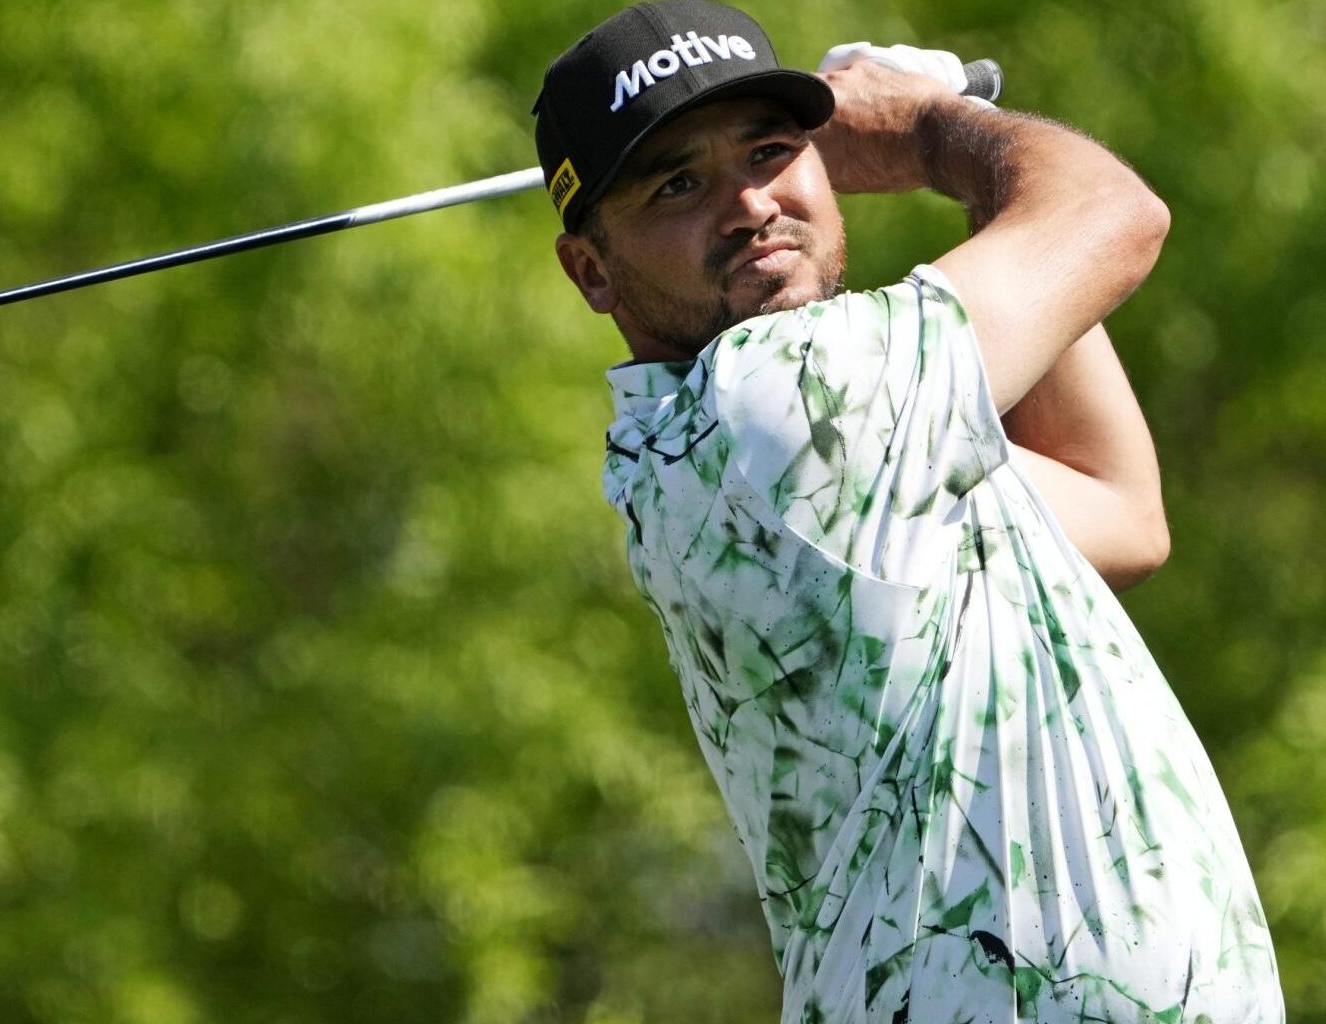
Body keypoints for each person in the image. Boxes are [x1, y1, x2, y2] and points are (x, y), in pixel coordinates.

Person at [533, 2, 1285, 1020]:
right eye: (679, 183)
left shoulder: (774, 447)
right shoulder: (780, 396)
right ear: (591, 269)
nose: (750, 203)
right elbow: (1116, 213)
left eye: (770, 149)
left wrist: (972, 170)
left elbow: (1116, 510)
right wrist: (933, 130)